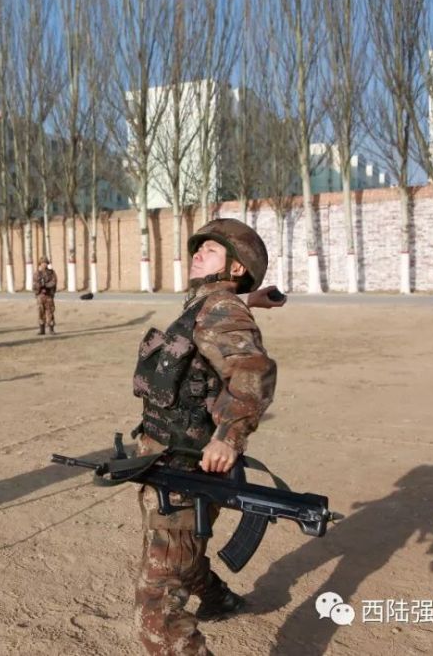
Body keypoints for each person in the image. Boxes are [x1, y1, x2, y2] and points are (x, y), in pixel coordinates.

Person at [131, 218, 277, 656]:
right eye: (199, 248)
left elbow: (251, 372)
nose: (198, 253)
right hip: (166, 458)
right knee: (180, 549)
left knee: (157, 613)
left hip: (187, 465)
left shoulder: (220, 309)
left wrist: (229, 437)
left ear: (234, 268)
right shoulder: (211, 303)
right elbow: (210, 324)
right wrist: (250, 298)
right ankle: (221, 598)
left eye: (211, 250)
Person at [32, 257, 58, 335]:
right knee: (41, 312)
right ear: (40, 264)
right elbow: (35, 284)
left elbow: (54, 282)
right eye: (43, 263)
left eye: (46, 263)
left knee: (50, 312)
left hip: (49, 296)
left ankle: (51, 329)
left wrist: (46, 286)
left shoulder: (51, 273)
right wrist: (40, 287)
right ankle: (42, 329)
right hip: (40, 296)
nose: (44, 264)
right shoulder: (37, 273)